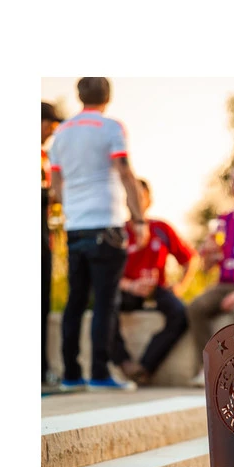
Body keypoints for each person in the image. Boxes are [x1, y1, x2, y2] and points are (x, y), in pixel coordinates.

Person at [49, 77, 147, 391]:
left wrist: (72, 210)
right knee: (105, 303)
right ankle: (100, 374)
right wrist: (139, 218)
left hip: (75, 227)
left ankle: (71, 375)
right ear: (108, 96)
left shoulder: (61, 134)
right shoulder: (111, 128)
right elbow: (125, 172)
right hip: (106, 223)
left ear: (79, 96)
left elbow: (56, 185)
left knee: (75, 302)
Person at [111, 179, 199, 385]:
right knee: (106, 307)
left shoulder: (161, 228)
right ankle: (124, 362)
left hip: (156, 288)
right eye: (131, 196)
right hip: (128, 289)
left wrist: (180, 285)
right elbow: (107, 275)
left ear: (149, 200)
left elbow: (190, 258)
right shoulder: (118, 233)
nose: (135, 201)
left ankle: (145, 367)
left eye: (140, 197)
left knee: (180, 313)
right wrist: (130, 285)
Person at [187, 162, 234, 387]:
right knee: (196, 307)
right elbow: (207, 267)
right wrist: (208, 254)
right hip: (226, 284)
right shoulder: (224, 221)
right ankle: (207, 369)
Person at [41, 102, 63, 389]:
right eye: (50, 124)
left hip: (45, 239)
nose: (52, 131)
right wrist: (53, 194)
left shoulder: (46, 157)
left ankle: (42, 368)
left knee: (43, 307)